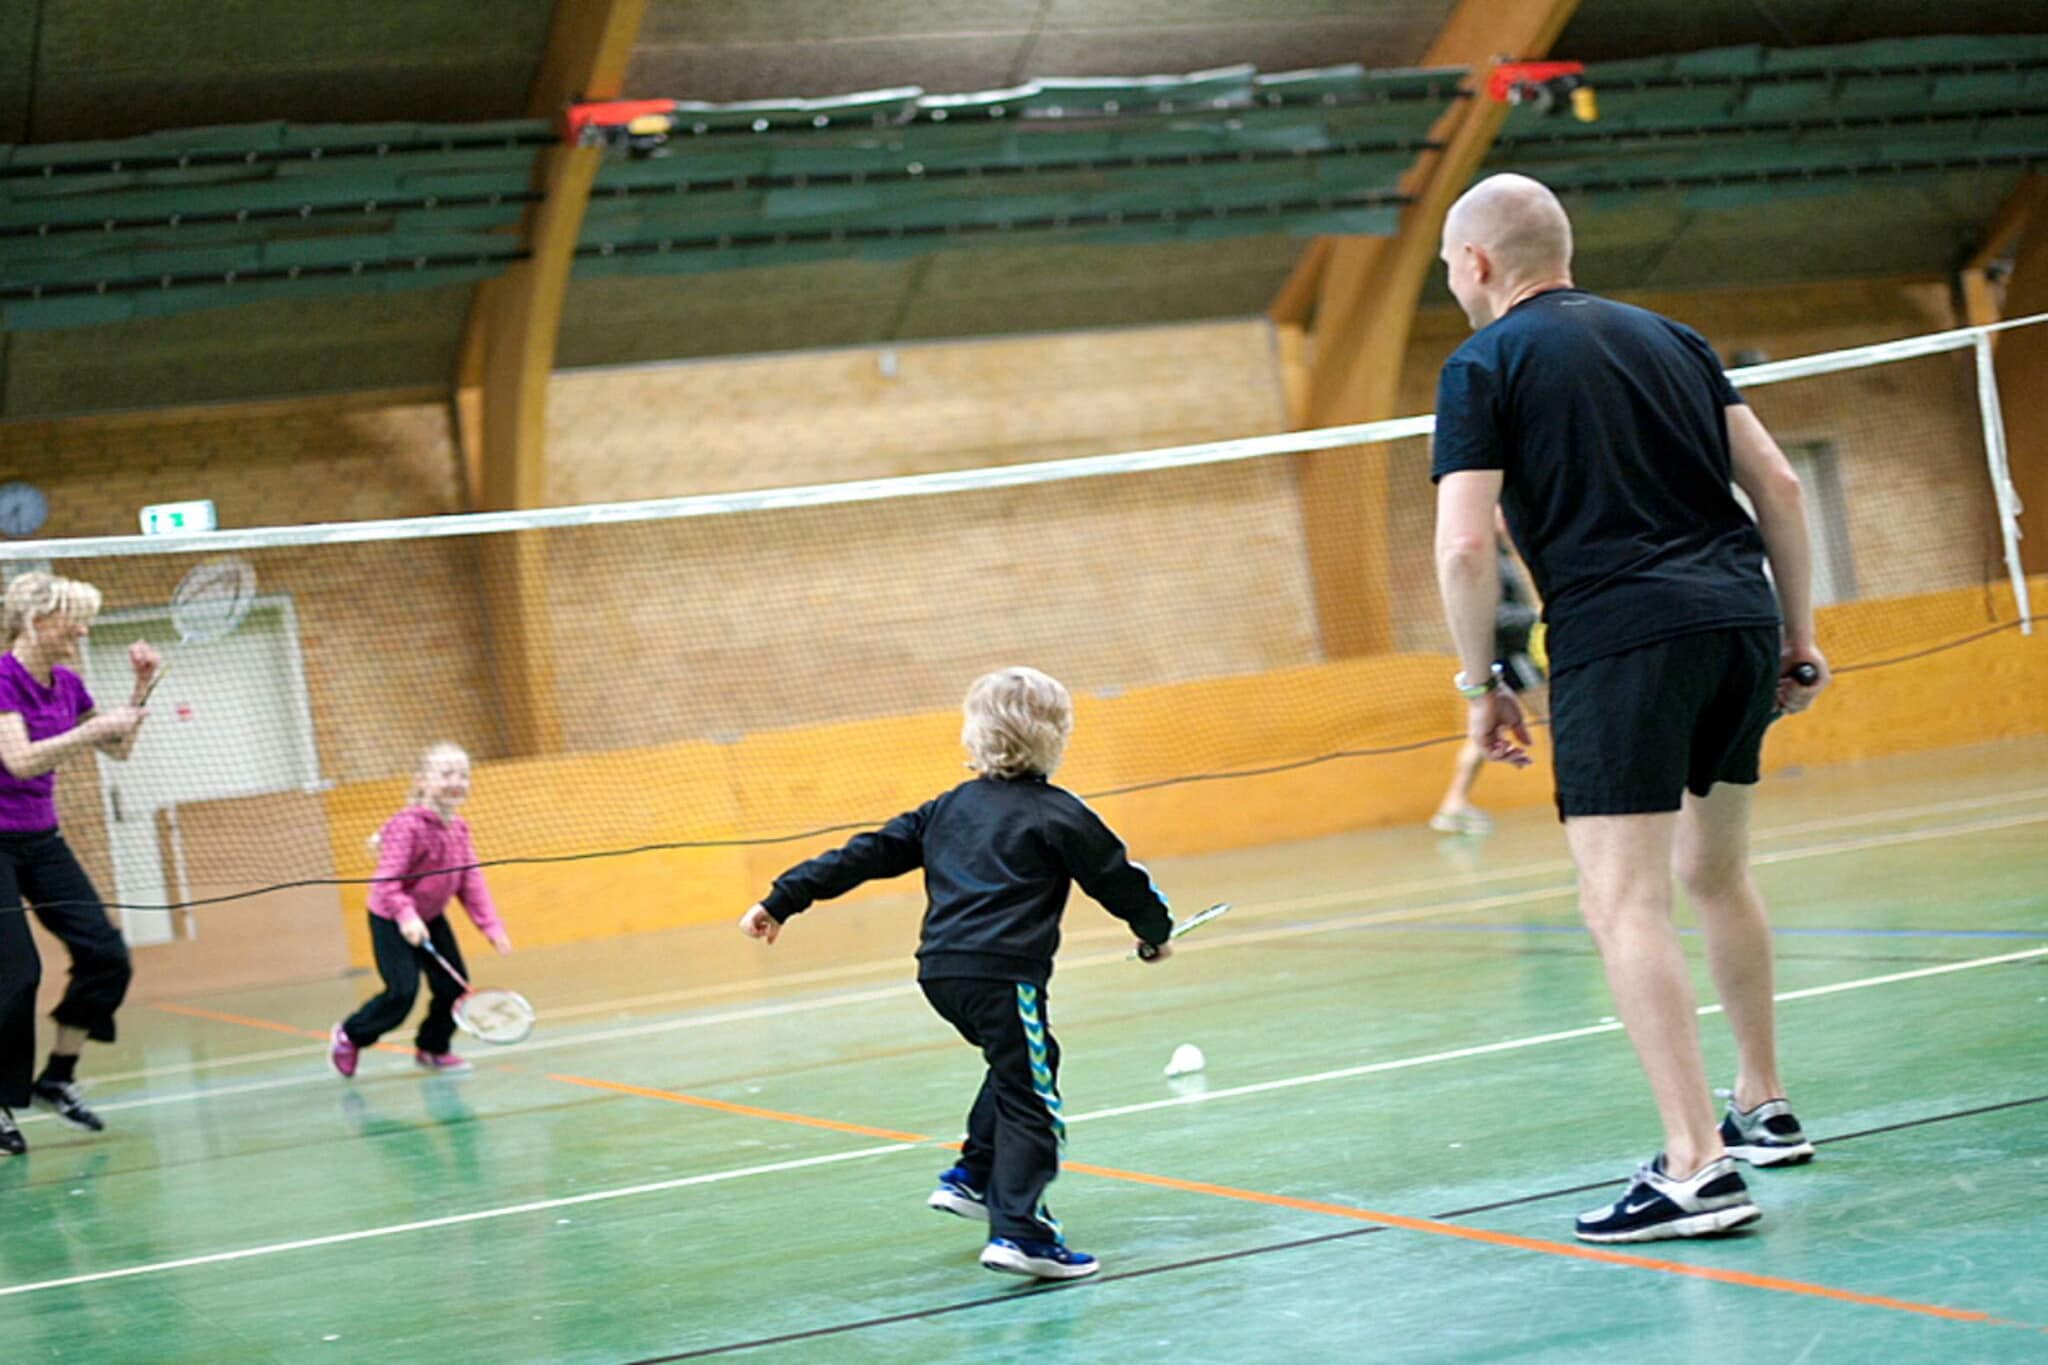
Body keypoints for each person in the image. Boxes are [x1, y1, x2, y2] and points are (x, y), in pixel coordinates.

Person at [1430, 173, 1828, 1243]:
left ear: (1474, 263)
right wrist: (1794, 635)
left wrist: (1481, 685)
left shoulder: (1481, 364)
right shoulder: (1675, 340)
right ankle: (1760, 1105)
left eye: (1445, 265)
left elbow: (1465, 545)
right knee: (1715, 872)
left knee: (1621, 902)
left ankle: (1695, 1166)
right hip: (1736, 621)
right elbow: (1780, 491)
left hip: (1619, 638)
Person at [738, 666, 1175, 1281]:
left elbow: (866, 853)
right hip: (1002, 975)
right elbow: (1119, 880)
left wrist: (784, 898)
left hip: (941, 973)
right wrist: (1155, 932)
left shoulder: (946, 808)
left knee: (1024, 1058)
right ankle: (1021, 1233)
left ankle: (973, 1175)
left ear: (974, 735)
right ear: (1057, 736)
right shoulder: (1060, 813)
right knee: (1032, 1096)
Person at [0, 571, 156, 1154]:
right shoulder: (3, 680)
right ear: (38, 622)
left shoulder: (67, 683)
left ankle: (57, 1077)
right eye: (75, 618)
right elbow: (18, 761)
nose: (84, 628)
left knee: (105, 955)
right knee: (16, 973)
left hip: (42, 838)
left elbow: (118, 749)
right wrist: (95, 732)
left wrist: (139, 693)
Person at [330, 743, 510, 1079]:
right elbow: (386, 881)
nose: (456, 781)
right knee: (402, 993)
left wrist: (492, 927)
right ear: (423, 781)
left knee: (453, 988)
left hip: (429, 917)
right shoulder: (406, 826)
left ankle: (433, 1047)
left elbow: (470, 880)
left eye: (463, 774)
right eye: (446, 774)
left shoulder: (459, 828)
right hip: (390, 917)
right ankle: (351, 1034)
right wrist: (406, 916)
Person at [1431, 513, 1546, 835]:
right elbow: (1494, 615)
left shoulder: (1503, 554)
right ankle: (1579, 785)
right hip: (1507, 656)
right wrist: (1536, 615)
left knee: (1484, 733)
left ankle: (1453, 803)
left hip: (1506, 656)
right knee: (1555, 717)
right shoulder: (1486, 560)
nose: (1506, 518)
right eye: (1498, 512)